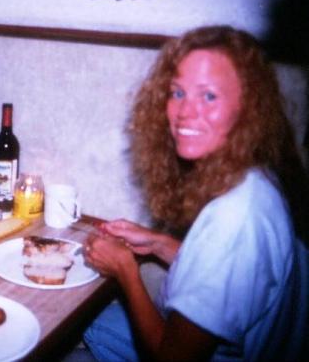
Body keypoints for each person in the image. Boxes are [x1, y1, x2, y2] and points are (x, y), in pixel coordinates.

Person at [83, 26, 308, 361]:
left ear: (248, 107)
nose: (185, 111)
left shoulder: (234, 218)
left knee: (85, 321)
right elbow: (233, 274)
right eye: (177, 93)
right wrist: (160, 244)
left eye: (209, 96)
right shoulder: (255, 175)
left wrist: (125, 271)